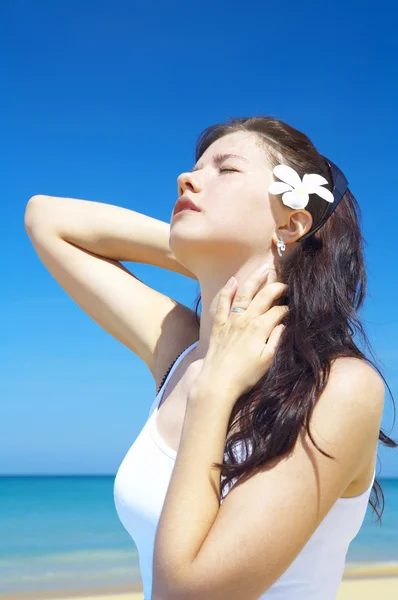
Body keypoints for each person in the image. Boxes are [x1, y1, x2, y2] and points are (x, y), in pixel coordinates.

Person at [25, 116, 397, 600]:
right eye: (195, 167)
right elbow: (46, 219)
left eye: (227, 169)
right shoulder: (183, 351)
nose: (188, 178)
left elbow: (185, 593)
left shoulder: (338, 386)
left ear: (292, 219)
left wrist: (215, 391)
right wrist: (206, 255)